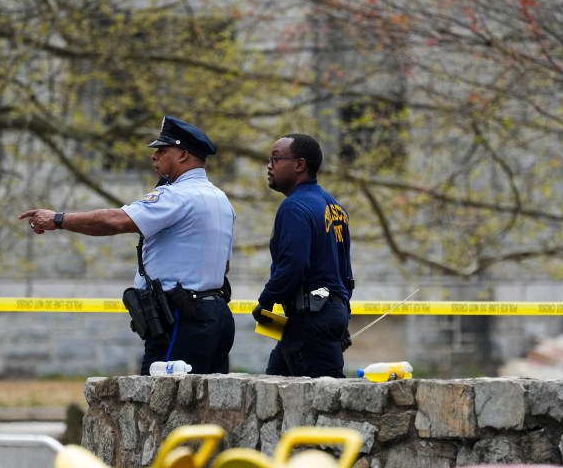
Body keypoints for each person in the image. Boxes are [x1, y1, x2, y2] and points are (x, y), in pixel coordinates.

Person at [20, 115, 236, 375]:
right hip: (216, 313)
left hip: (182, 318)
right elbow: (223, 266)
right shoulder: (220, 199)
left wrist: (58, 219)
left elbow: (115, 222)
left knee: (163, 405)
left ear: (183, 155)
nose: (154, 157)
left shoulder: (176, 195)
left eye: (162, 150)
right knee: (208, 403)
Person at [252, 133, 354, 378]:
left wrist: (266, 301)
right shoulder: (335, 207)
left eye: (276, 159)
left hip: (311, 321)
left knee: (321, 406)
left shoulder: (294, 207)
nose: (269, 165)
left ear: (299, 165)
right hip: (322, 315)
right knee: (272, 389)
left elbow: (293, 265)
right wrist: (338, 312)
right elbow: (345, 274)